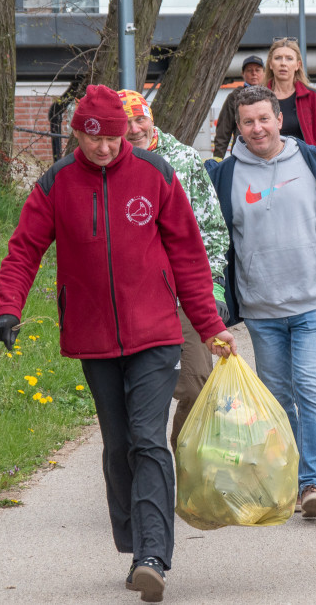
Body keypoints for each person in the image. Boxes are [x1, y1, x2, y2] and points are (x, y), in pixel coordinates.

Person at [0, 83, 237, 604]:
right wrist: (8, 307)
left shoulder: (156, 174)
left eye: (113, 137)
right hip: (93, 335)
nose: (104, 148)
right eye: (93, 138)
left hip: (156, 333)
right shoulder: (56, 183)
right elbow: (24, 249)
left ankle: (153, 556)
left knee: (148, 439)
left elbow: (189, 255)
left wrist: (209, 324)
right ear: (76, 133)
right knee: (118, 444)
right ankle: (134, 544)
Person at [204, 85, 316, 519]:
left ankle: (312, 482)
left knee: (310, 387)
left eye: (264, 119)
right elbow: (214, 240)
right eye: (247, 122)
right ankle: (290, 479)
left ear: (279, 119)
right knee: (278, 397)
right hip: (261, 307)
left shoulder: (312, 160)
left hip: (313, 300)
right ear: (238, 127)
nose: (257, 128)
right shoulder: (226, 175)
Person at [117, 88, 230, 449]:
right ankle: (149, 466)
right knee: (137, 395)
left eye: (140, 119)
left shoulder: (184, 160)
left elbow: (212, 228)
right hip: (131, 298)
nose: (134, 129)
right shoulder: (107, 164)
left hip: (184, 294)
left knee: (196, 384)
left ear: (151, 118)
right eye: (125, 122)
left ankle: (183, 462)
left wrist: (213, 286)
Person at [264, 37, 316, 171]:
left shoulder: (313, 98)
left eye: (289, 58)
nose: (283, 63)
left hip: (305, 169)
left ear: (297, 65)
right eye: (278, 58)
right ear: (270, 64)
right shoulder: (259, 99)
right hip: (267, 168)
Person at [212, 54, 265, 158]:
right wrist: (217, 160)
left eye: (257, 70)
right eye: (249, 70)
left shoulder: (271, 96)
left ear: (264, 73)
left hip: (268, 155)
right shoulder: (234, 97)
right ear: (243, 74)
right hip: (241, 155)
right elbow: (223, 132)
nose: (254, 73)